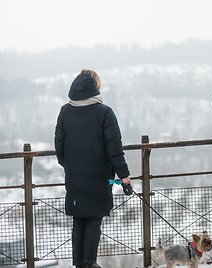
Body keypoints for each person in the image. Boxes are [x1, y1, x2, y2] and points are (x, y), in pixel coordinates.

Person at [54, 69, 132, 268]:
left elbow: (59, 146)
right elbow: (114, 148)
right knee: (94, 219)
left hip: (74, 177)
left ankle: (79, 264)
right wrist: (124, 176)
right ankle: (89, 263)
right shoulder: (104, 112)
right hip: (98, 177)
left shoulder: (65, 111)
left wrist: (71, 165)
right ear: (95, 88)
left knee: (79, 219)